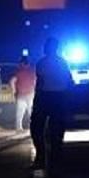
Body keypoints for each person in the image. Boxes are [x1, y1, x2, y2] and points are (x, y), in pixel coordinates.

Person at [31, 37, 74, 170]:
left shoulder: (42, 63)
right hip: (59, 98)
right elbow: (69, 81)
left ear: (49, 48)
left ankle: (41, 157)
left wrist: (36, 100)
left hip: (45, 97)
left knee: (37, 128)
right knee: (57, 129)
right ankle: (56, 157)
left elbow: (40, 83)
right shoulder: (63, 62)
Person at [9, 54, 37, 132]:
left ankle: (19, 128)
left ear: (22, 63)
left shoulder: (18, 72)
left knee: (20, 112)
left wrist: (14, 91)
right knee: (31, 112)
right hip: (31, 94)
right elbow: (36, 81)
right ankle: (33, 127)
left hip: (21, 95)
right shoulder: (32, 71)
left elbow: (12, 81)